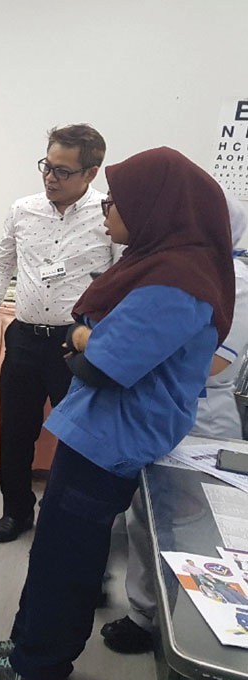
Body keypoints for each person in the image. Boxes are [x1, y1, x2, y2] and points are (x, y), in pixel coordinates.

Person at [0, 147, 235, 680]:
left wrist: (79, 337)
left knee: (69, 555)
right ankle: (26, 643)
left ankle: (41, 668)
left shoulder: (176, 282)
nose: (108, 209)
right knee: (54, 545)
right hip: (100, 427)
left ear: (155, 207)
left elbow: (100, 364)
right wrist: (87, 338)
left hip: (114, 435)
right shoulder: (158, 264)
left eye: (117, 200)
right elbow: (96, 342)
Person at [101, 192, 248, 654]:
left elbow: (215, 364)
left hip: (201, 420)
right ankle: (144, 612)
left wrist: (127, 358)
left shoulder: (234, 278)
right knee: (144, 516)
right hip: (165, 408)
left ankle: (162, 624)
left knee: (180, 526)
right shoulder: (188, 268)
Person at [0, 124, 122, 543]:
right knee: (16, 432)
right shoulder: (23, 209)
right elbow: (2, 264)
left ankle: (63, 519)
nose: (50, 178)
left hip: (74, 345)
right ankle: (16, 511)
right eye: (46, 166)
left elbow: (121, 278)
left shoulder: (108, 217)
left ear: (90, 173)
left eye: (62, 171)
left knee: (76, 439)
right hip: (23, 337)